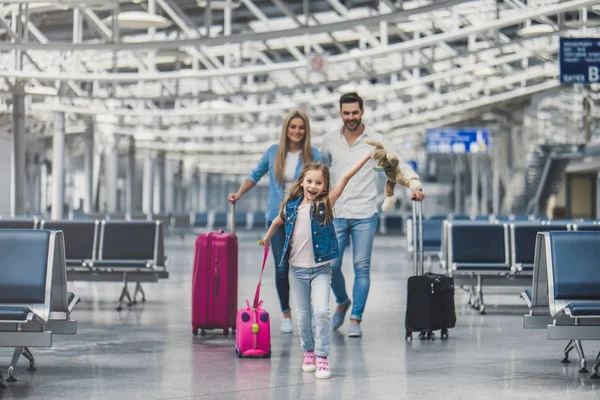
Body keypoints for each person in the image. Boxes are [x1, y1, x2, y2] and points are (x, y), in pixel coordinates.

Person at [259, 153, 372, 379]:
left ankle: (322, 356)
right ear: (301, 181)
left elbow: (346, 178)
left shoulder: (325, 205)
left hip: (321, 270)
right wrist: (268, 238)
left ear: (324, 186)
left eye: (319, 182)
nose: (313, 186)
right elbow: (276, 221)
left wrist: (367, 157)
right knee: (303, 316)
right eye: (309, 181)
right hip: (297, 272)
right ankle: (308, 352)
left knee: (321, 311)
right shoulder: (291, 207)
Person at [321, 92, 425, 338]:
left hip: (365, 213)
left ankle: (356, 318)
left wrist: (414, 185)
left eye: (354, 112)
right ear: (340, 113)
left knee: (361, 266)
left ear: (362, 111)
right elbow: (318, 170)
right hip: (335, 212)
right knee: (330, 265)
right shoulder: (328, 141)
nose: (350, 117)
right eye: (346, 113)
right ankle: (343, 301)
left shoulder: (376, 140)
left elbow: (398, 165)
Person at [228, 110, 320, 334]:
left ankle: (306, 314)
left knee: (305, 268)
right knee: (281, 268)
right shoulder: (273, 153)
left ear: (305, 131)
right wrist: (239, 194)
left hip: (304, 218)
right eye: (293, 127)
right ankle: (286, 314)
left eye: (301, 127)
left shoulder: (313, 154)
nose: (296, 131)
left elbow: (322, 184)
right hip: (276, 219)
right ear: (286, 129)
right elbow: (255, 175)